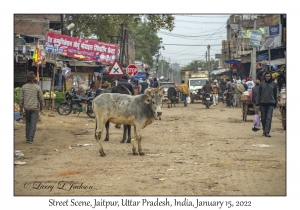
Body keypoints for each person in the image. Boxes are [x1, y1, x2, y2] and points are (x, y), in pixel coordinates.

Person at [19, 71, 44, 144]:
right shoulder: (37, 87)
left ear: (27, 78)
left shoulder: (24, 87)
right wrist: (41, 106)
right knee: (33, 123)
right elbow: (41, 98)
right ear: (34, 78)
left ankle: (27, 137)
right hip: (35, 108)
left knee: (28, 122)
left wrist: (21, 106)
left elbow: (21, 98)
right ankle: (31, 139)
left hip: (27, 108)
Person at [256, 71, 277, 137]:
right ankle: (264, 130)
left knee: (269, 118)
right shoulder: (261, 84)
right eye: (266, 76)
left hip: (270, 104)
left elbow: (275, 95)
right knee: (263, 118)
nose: (267, 77)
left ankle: (267, 132)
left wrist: (275, 103)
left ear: (270, 77)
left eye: (268, 76)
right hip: (262, 104)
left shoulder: (274, 84)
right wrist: (257, 104)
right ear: (264, 77)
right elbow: (258, 94)